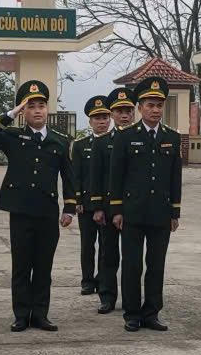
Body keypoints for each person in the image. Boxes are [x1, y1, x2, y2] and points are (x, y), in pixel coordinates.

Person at [0, 80, 76, 332]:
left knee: (44, 266)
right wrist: (11, 113)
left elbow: (69, 176)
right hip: (21, 211)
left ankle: (40, 314)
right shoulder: (13, 136)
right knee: (21, 265)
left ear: (47, 109)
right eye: (31, 106)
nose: (37, 110)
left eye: (41, 105)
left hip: (46, 211)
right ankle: (21, 314)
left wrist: (69, 208)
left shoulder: (60, 140)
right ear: (23, 111)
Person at [108, 77, 182, 333]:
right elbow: (115, 176)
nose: (155, 110)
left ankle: (152, 312)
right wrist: (116, 210)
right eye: (150, 105)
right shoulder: (127, 137)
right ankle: (132, 314)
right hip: (132, 213)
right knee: (132, 265)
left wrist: (175, 211)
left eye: (159, 105)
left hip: (160, 213)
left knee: (156, 265)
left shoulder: (172, 137)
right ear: (140, 107)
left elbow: (175, 177)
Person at [89, 87, 136, 314]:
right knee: (108, 254)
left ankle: (130, 299)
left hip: (134, 209)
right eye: (119, 111)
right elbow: (95, 178)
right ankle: (107, 297)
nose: (124, 115)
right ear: (112, 114)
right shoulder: (102, 142)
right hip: (107, 209)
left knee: (131, 257)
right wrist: (97, 207)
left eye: (128, 110)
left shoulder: (141, 140)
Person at [71, 95, 113, 296]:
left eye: (105, 117)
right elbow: (76, 174)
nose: (102, 121)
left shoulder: (116, 143)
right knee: (87, 244)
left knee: (106, 244)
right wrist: (77, 199)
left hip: (107, 203)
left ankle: (102, 278)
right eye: (97, 118)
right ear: (90, 121)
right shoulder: (80, 145)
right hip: (86, 204)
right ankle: (87, 280)